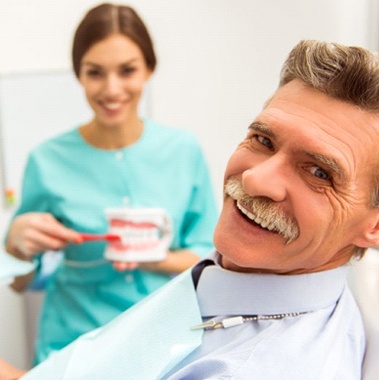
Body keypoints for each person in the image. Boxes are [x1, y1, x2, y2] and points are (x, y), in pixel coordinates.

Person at [2, 38, 378, 379]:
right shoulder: (232, 276)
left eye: (318, 172)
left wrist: (157, 258)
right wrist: (16, 250)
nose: (254, 180)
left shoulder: (255, 364)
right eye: (263, 139)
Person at [4, 3, 218, 366]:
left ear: (149, 68)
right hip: (72, 349)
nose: (111, 88)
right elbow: (21, 283)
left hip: (163, 346)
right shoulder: (47, 160)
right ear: (79, 75)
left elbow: (211, 259)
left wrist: (157, 259)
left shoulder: (183, 150)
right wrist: (15, 246)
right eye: (95, 72)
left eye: (127, 70)